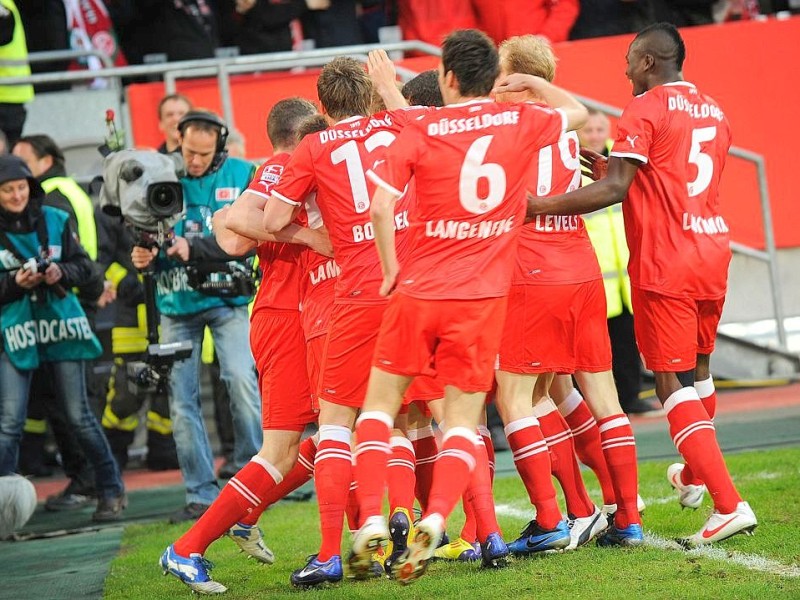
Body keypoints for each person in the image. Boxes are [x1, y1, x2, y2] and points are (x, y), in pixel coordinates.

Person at [348, 29, 587, 585]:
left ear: (448, 78)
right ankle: (436, 518)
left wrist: (389, 270)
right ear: (491, 79)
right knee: (462, 423)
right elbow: (575, 110)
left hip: (420, 291)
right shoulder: (522, 122)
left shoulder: (422, 125)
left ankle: (374, 522)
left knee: (380, 411)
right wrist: (531, 83)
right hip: (481, 302)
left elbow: (383, 207)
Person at [527, 22, 757, 546]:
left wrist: (535, 205)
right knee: (698, 369)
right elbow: (675, 180)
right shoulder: (715, 111)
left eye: (629, 59)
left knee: (667, 381)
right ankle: (694, 476)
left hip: (666, 261)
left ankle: (728, 503)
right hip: (711, 249)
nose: (625, 68)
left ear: (650, 62)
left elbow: (613, 190)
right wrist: (619, 169)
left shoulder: (644, 108)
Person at [260, 54, 424, 587]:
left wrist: (310, 234)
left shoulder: (313, 146)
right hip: (411, 290)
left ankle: (332, 551)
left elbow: (270, 220)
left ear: (325, 106)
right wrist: (391, 91)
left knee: (335, 424)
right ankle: (415, 519)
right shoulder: (398, 124)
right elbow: (431, 134)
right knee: (402, 417)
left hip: (354, 292)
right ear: (372, 94)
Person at [159, 97, 331, 595]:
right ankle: (187, 549)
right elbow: (233, 234)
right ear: (303, 136)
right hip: (286, 316)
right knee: (286, 449)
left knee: (336, 435)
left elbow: (226, 221)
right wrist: (308, 238)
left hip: (305, 313)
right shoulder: (284, 165)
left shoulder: (275, 167)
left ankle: (249, 514)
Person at [492, 33, 642, 553]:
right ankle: (626, 516)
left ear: (517, 80)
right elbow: (575, 116)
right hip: (581, 267)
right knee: (599, 396)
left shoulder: (513, 121)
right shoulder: (565, 131)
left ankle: (553, 520)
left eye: (502, 74)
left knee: (515, 399)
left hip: (531, 269)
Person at [131, 112, 262, 524]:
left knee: (241, 379)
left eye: (205, 154)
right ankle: (200, 493)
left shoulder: (244, 172)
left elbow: (253, 237)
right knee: (181, 402)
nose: (196, 161)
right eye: (190, 152)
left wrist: (197, 247)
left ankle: (256, 478)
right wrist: (141, 256)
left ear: (219, 147)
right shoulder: (157, 175)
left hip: (227, 300)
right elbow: (137, 230)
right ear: (177, 141)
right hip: (174, 303)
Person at [0, 155, 126, 522]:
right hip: (15, 333)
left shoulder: (56, 219)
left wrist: (59, 272)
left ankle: (111, 489)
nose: (16, 195)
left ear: (31, 187)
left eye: (21, 187)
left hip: (61, 328)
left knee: (79, 414)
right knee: (9, 420)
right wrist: (13, 283)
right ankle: (6, 512)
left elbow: (88, 270)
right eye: (7, 190)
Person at [578, 112, 656, 415]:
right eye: (589, 129)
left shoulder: (624, 159)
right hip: (595, 269)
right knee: (594, 347)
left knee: (627, 340)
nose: (595, 134)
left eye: (600, 128)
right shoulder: (578, 162)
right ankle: (594, 407)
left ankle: (630, 397)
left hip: (624, 268)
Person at [0, 0, 33, 146]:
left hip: (6, 96)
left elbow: (4, 35)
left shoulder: (3, 6)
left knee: (7, 160)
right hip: (10, 94)